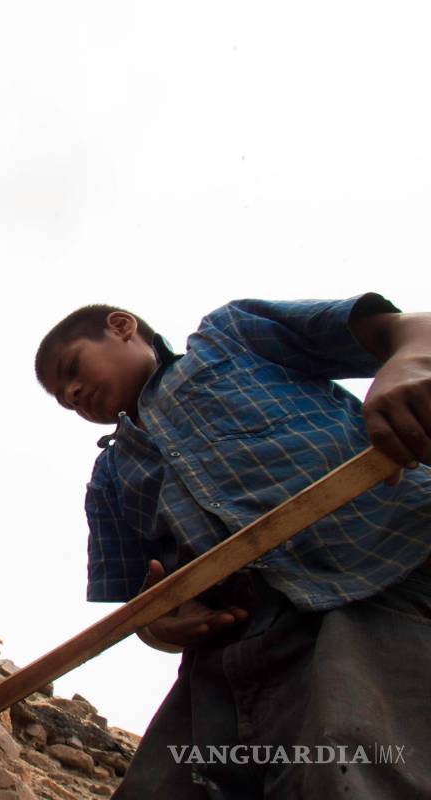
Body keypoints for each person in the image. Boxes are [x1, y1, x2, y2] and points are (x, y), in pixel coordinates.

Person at [34, 294, 431, 798]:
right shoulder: (109, 480)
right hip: (233, 661)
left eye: (72, 368)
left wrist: (411, 365)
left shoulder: (231, 337)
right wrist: (159, 624)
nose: (72, 393)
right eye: (64, 399)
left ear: (121, 327)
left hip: (382, 575)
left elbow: (410, 330)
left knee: (357, 771)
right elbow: (143, 608)